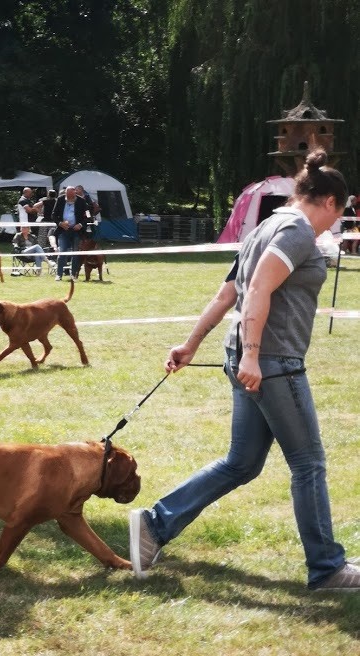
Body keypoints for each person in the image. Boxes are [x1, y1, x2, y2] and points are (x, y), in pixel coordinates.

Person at [129, 148, 360, 592]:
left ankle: (154, 526)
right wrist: (253, 355)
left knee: (242, 462)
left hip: (250, 359)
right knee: (309, 463)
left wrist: (190, 344)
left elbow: (225, 294)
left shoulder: (264, 228)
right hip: (272, 364)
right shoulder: (296, 230)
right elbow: (255, 290)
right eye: (340, 213)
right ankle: (328, 568)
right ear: (331, 201)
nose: (336, 223)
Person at [51, 186, 87, 280]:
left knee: (75, 253)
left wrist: (80, 225)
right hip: (63, 230)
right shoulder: (60, 199)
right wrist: (60, 223)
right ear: (65, 193)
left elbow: (88, 216)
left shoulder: (82, 201)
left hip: (77, 231)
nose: (69, 197)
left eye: (71, 195)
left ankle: (73, 275)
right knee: (62, 252)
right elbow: (53, 215)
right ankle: (59, 274)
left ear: (75, 193)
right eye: (67, 195)